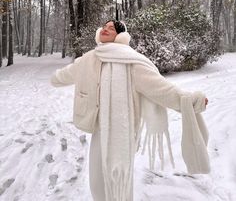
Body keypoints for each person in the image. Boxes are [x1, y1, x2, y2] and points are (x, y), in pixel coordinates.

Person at [51, 20, 210, 201]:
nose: (105, 29)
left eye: (112, 28)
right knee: (97, 184)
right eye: (105, 26)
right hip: (99, 131)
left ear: (120, 36)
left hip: (121, 133)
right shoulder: (90, 58)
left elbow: (161, 89)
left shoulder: (131, 61)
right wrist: (54, 78)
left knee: (118, 183)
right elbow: (69, 73)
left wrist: (191, 100)